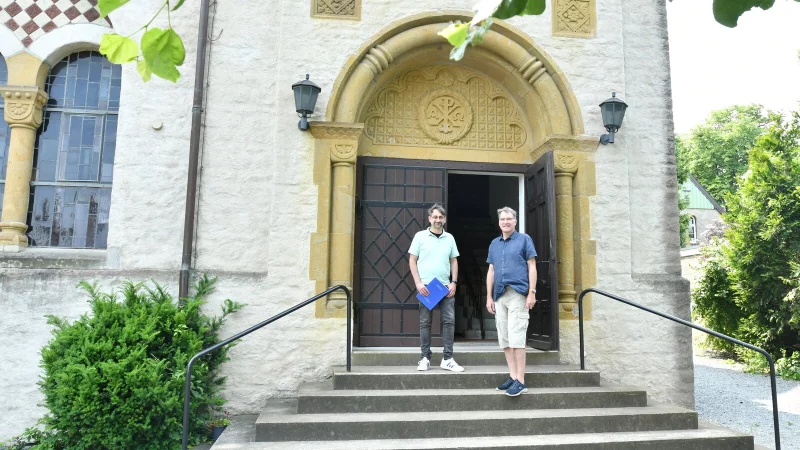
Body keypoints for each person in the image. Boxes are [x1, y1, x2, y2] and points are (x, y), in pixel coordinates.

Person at [485, 206, 537, 396]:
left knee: (517, 339)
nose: (505, 222)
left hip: (518, 294)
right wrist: (488, 297)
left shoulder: (524, 240)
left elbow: (532, 266)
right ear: (499, 222)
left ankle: (521, 381)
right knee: (505, 340)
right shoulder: (494, 244)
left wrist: (532, 292)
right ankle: (513, 376)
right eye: (502, 219)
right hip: (499, 295)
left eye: (509, 219)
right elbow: (491, 271)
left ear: (515, 221)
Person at [409, 203, 463, 372]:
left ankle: (448, 359)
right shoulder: (420, 236)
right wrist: (418, 283)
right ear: (429, 219)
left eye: (441, 217)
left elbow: (454, 260)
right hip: (426, 287)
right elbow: (412, 260)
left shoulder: (450, 238)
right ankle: (425, 358)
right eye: (435, 217)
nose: (437, 220)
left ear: (444, 219)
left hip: (444, 287)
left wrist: (454, 282)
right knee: (425, 323)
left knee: (449, 322)